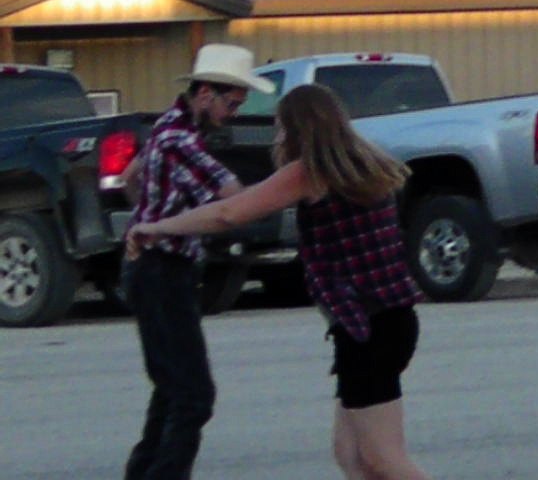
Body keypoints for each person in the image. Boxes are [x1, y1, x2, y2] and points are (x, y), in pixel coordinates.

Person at [128, 83, 431, 480]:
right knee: (352, 456)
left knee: (383, 458)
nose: (278, 136)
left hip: (369, 330)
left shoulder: (310, 171)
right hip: (388, 322)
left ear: (298, 127)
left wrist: (159, 226)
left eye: (281, 127)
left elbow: (229, 214)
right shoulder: (362, 160)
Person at [120, 43, 276, 480]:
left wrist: (148, 217)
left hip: (152, 267)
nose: (234, 112)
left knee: (171, 391)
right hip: (163, 272)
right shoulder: (181, 141)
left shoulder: (165, 127)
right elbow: (234, 201)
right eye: (231, 102)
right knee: (195, 396)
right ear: (205, 93)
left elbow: (131, 178)